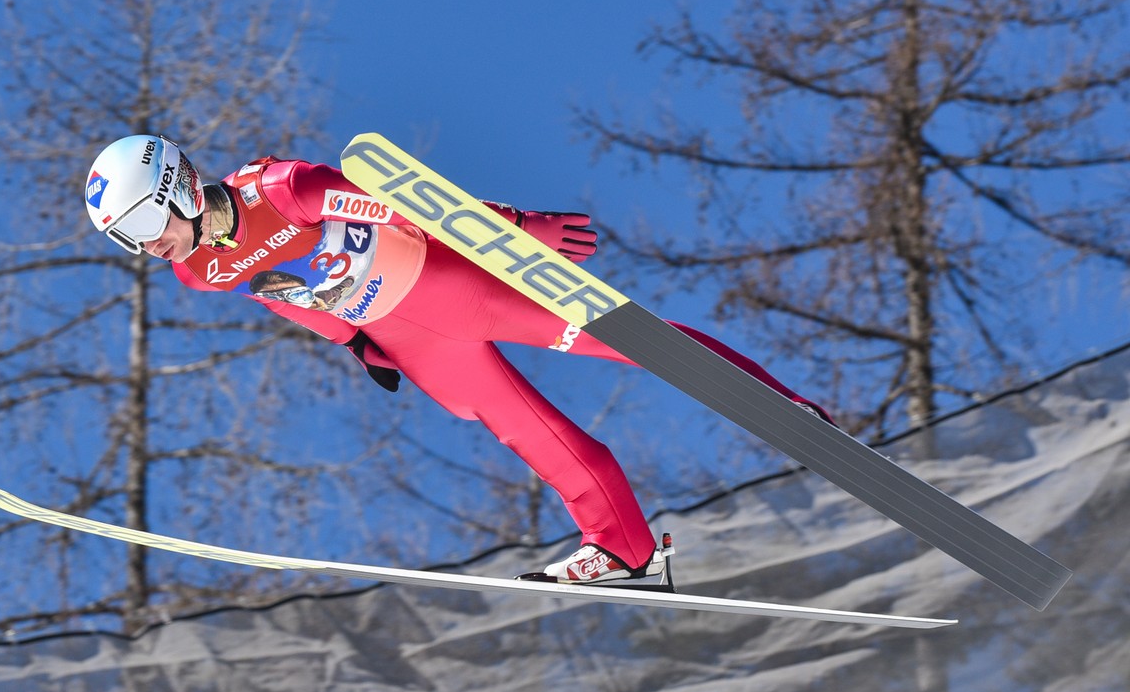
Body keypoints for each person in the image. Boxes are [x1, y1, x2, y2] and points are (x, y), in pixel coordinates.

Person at [84, 134, 832, 584]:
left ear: (178, 185)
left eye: (146, 219)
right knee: (531, 435)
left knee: (621, 335)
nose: (148, 243)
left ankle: (783, 408)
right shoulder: (196, 269)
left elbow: (399, 205)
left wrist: (508, 227)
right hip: (411, 338)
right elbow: (281, 294)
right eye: (128, 238)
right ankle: (624, 549)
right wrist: (355, 344)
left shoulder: (285, 188)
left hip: (451, 286)